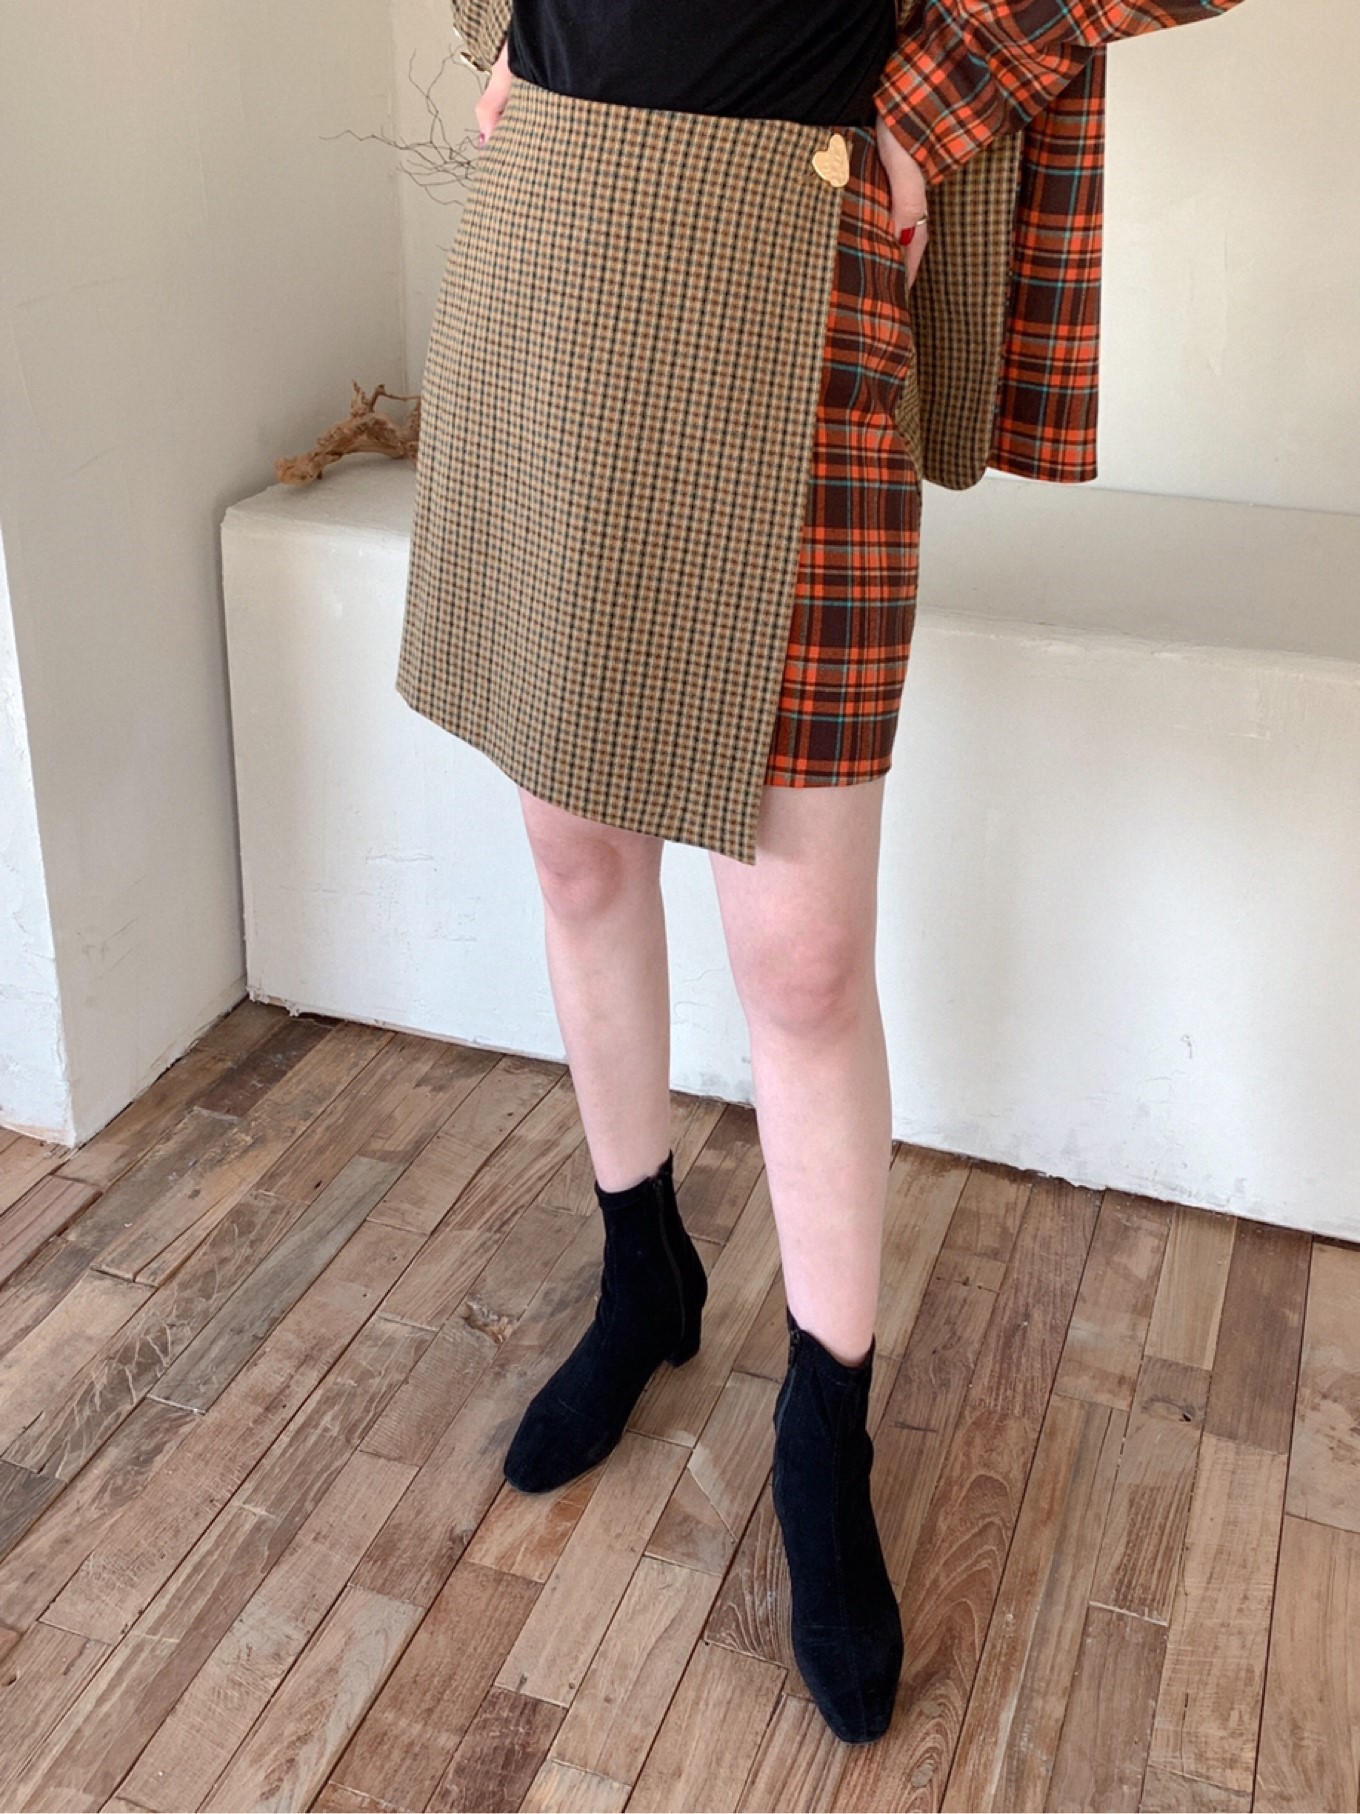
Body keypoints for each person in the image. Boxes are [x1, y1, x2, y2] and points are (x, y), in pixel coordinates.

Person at [397, 0, 1248, 1747]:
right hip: (561, 205)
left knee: (799, 956)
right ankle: (644, 1271)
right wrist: (508, 34)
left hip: (803, 232)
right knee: (575, 856)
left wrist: (929, 106)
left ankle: (822, 1431)